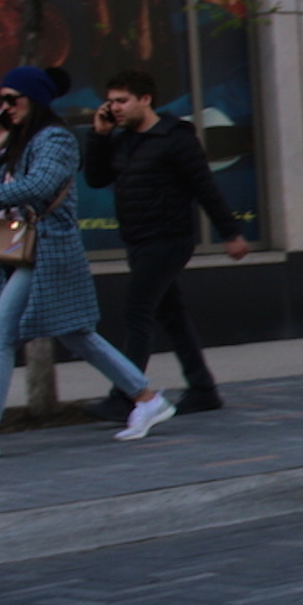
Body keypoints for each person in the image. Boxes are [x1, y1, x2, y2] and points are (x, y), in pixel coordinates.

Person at [0, 66, 175, 462]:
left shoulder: (56, 139)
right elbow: (4, 183)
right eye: (0, 100)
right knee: (77, 333)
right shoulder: (22, 140)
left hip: (46, 252)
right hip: (25, 250)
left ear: (34, 99)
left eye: (12, 99)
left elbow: (40, 187)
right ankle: (147, 398)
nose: (4, 107)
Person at [87, 70, 251, 415]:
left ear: (145, 100)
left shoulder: (175, 136)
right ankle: (203, 388)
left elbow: (204, 186)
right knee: (171, 314)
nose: (114, 108)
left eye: (122, 101)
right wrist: (100, 136)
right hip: (138, 239)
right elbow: (97, 177)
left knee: (137, 310)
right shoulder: (123, 140)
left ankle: (126, 395)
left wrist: (230, 233)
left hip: (168, 239)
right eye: (111, 101)